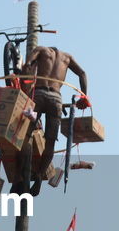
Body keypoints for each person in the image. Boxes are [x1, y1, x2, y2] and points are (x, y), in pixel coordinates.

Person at [17, 46, 88, 180]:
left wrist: (25, 87)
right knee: (50, 142)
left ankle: (23, 170)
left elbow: (27, 65)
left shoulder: (41, 50)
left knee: (25, 134)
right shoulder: (67, 57)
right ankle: (39, 174)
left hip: (38, 94)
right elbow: (82, 73)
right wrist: (84, 96)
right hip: (56, 99)